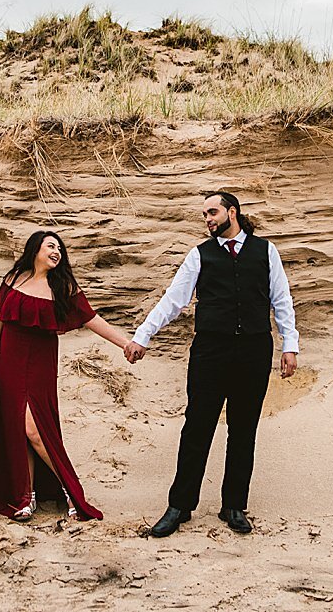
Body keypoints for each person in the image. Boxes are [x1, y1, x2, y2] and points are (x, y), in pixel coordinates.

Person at [124, 191, 299, 536]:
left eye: (213, 212)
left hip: (253, 349)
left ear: (232, 212)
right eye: (204, 214)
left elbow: (281, 300)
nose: (208, 219)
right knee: (197, 426)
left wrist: (289, 345)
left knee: (244, 427)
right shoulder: (199, 255)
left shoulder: (266, 251)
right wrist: (143, 336)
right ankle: (180, 505)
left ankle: (234, 505)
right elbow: (173, 301)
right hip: (210, 352)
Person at [0, 230, 133, 522]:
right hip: (7, 363)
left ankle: (71, 492)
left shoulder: (63, 288)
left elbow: (92, 319)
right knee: (17, 431)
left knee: (35, 430)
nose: (57, 251)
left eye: (59, 247)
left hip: (39, 366)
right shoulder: (13, 280)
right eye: (50, 245)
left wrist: (125, 343)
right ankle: (26, 497)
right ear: (35, 249)